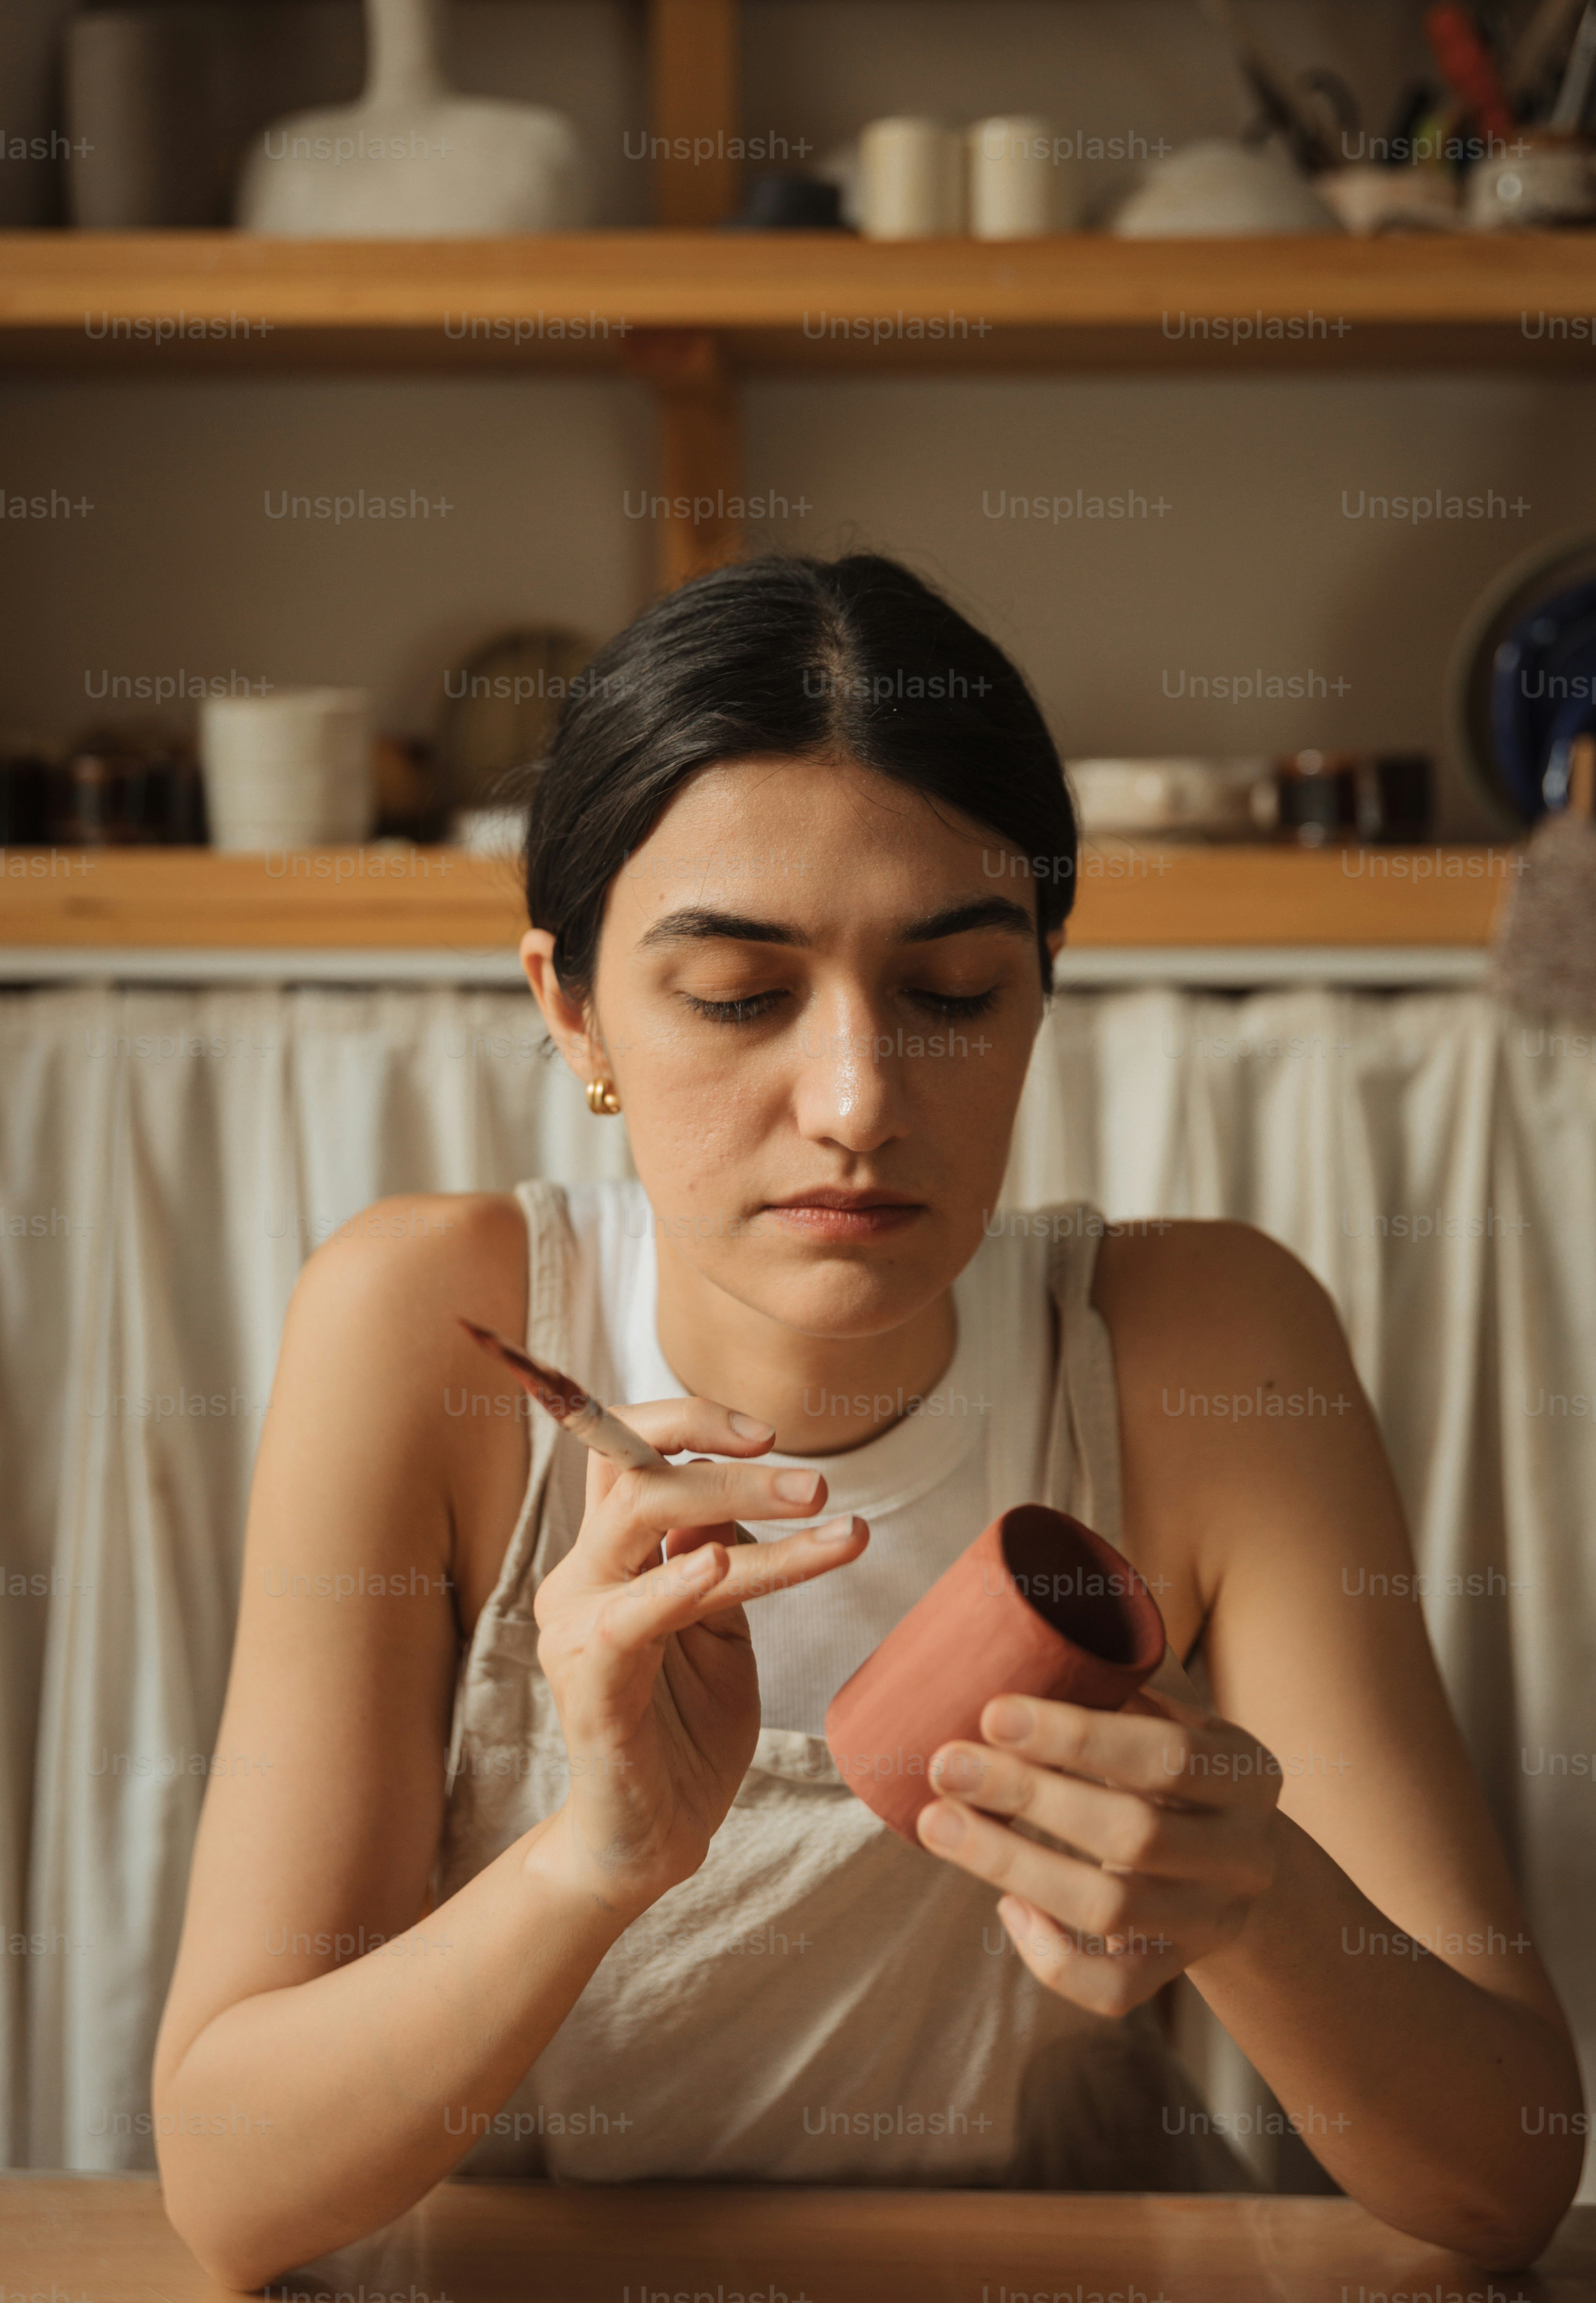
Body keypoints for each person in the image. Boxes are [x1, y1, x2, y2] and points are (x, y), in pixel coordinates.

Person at [152, 554, 1583, 2289]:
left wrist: (1256, 1892)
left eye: (953, 996)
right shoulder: (425, 1330)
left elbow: (1502, 2182)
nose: (854, 1103)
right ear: (572, 1007)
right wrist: (594, 1861)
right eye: (742, 998)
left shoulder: (1202, 1342)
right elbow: (231, 2190)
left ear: (1042, 994)